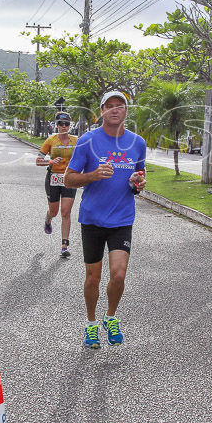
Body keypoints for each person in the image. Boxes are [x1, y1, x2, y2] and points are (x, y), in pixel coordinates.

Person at [64, 90, 146, 349]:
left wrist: (138, 184)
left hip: (122, 218)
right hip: (92, 218)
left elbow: (139, 177)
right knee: (92, 278)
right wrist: (92, 175)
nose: (114, 110)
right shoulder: (88, 141)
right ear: (101, 111)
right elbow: (69, 178)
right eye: (109, 106)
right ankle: (90, 325)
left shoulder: (137, 143)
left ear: (125, 111)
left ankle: (110, 317)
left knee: (119, 275)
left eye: (119, 106)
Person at [38, 112, 79, 258]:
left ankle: (64, 246)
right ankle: (48, 219)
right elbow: (38, 160)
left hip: (69, 179)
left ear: (70, 125)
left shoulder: (76, 141)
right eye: (61, 124)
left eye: (66, 124)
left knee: (66, 213)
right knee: (54, 212)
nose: (64, 126)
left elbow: (84, 157)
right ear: (57, 125)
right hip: (53, 179)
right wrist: (50, 161)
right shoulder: (51, 140)